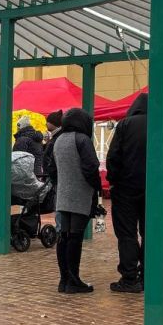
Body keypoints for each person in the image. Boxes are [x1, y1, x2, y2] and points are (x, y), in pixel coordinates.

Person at [50, 108, 102, 294]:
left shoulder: (59, 140)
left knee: (63, 236)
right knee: (75, 237)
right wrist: (96, 187)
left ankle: (64, 280)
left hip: (62, 195)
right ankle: (74, 280)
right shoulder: (82, 140)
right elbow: (91, 167)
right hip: (80, 195)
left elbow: (51, 168)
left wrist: (61, 184)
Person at [105, 93, 148, 293]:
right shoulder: (161, 124)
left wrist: (113, 181)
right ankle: (148, 275)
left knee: (127, 234)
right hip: (153, 190)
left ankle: (130, 278)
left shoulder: (124, 125)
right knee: (150, 233)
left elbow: (113, 156)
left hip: (125, 189)